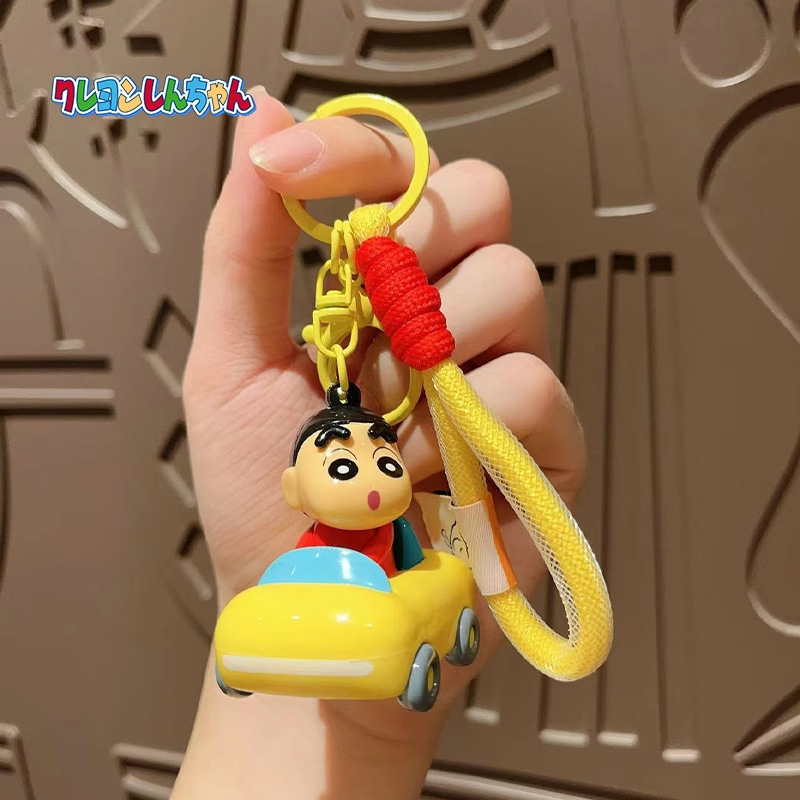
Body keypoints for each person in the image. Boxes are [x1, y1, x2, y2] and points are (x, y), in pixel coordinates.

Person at [174, 87, 586, 799]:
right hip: (327, 618)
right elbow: (290, 584)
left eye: (383, 458)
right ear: (295, 489)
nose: (370, 478)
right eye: (343, 465)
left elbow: (406, 570)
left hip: (386, 608)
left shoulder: (398, 542)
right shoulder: (300, 554)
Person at [286, 384, 424, 578]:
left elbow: (417, 574)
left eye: (387, 464)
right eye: (342, 467)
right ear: (293, 488)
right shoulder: (313, 543)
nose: (371, 482)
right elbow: (294, 578)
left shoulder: (399, 531)